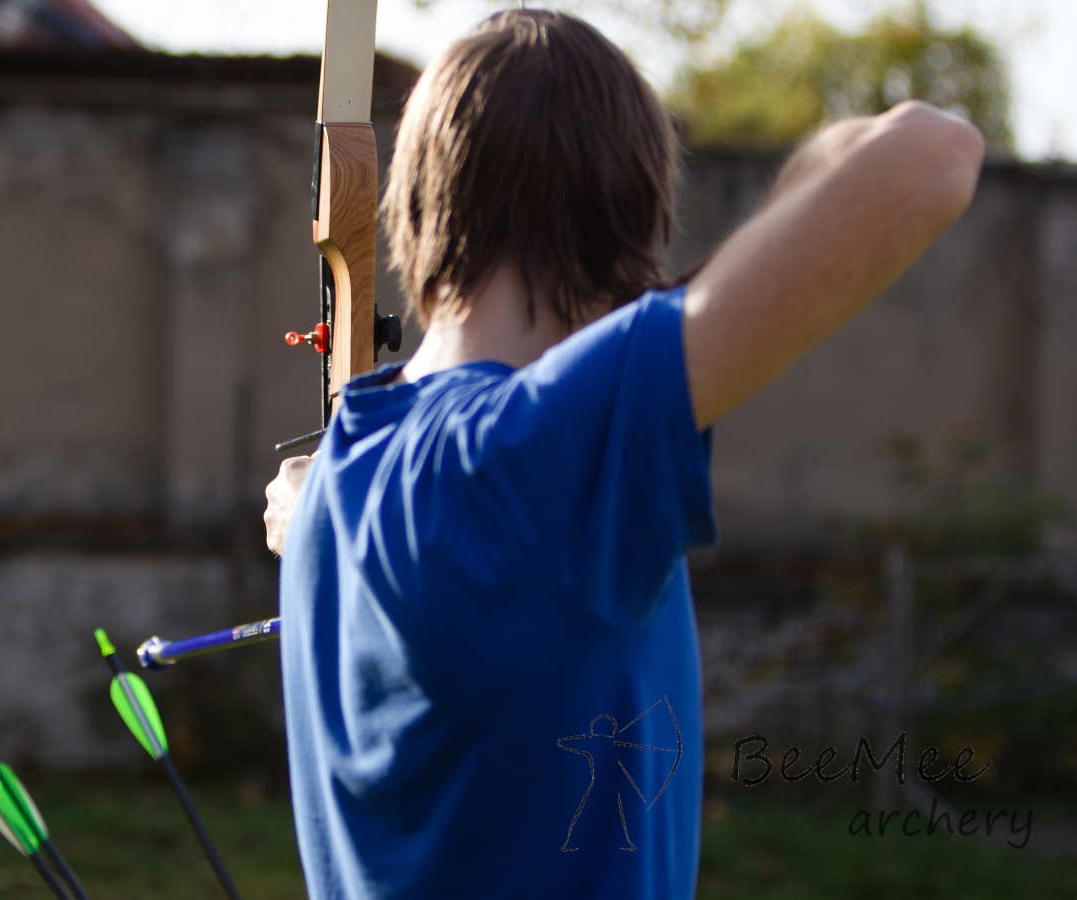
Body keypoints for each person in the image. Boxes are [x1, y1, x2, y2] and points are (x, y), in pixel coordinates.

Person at [264, 9, 983, 898]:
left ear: (415, 208)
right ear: (630, 217)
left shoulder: (342, 475)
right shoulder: (539, 452)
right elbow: (935, 152)